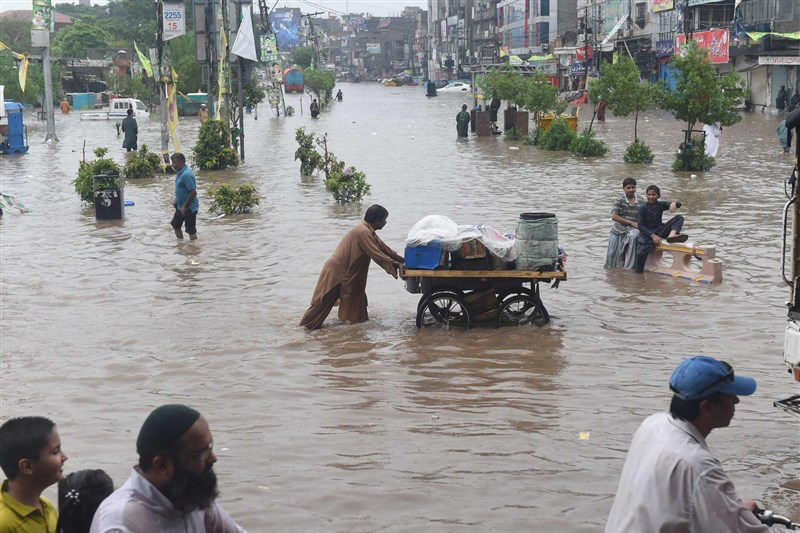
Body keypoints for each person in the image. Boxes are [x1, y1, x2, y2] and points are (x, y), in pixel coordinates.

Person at [605, 355, 780, 532]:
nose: (737, 400)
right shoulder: (699, 466)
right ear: (706, 408)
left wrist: (735, 511)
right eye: (729, 396)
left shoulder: (652, 425)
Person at [90, 404, 247, 533]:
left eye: (210, 447)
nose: (213, 458)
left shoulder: (192, 496)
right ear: (162, 465)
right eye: (201, 454)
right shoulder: (121, 522)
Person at [300, 204, 404, 329]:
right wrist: (396, 264)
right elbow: (377, 254)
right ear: (376, 220)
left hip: (350, 272)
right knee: (322, 303)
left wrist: (405, 260)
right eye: (384, 219)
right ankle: (303, 328)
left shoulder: (368, 231)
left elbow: (386, 250)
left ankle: (354, 329)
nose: (385, 222)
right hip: (339, 271)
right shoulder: (363, 232)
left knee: (357, 300)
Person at [0, 416, 68, 533]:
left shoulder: (46, 507)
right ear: (27, 466)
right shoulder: (4, 523)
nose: (65, 457)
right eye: (55, 452)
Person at [634, 185, 686, 273]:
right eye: (649, 195)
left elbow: (678, 204)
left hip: (660, 231)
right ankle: (639, 280)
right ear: (646, 195)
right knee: (640, 256)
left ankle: (672, 236)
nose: (651, 197)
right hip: (647, 235)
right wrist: (653, 236)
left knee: (679, 217)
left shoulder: (661, 204)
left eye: (653, 195)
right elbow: (640, 226)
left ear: (658, 196)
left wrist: (674, 203)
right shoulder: (642, 208)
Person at [605, 178, 644, 269]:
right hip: (618, 231)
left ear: (636, 187)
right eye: (628, 188)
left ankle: (628, 270)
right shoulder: (620, 200)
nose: (631, 190)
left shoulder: (641, 200)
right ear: (623, 189)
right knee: (613, 258)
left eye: (633, 187)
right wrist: (631, 223)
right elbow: (614, 216)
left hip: (633, 231)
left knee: (635, 237)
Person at [170, 153, 199, 241]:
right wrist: (176, 201)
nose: (172, 165)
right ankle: (181, 244)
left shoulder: (186, 175)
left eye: (174, 162)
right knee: (175, 225)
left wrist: (184, 207)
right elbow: (181, 189)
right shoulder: (180, 173)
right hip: (180, 206)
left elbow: (193, 192)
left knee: (191, 230)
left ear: (180, 162)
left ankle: (194, 249)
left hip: (189, 208)